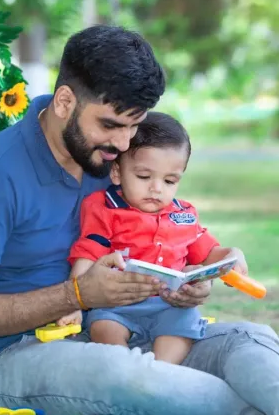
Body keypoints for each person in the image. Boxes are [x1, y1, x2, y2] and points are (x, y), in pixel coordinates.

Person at [0, 25, 279, 415]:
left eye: (134, 126)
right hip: (13, 357)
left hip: (135, 328)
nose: (124, 144)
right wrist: (78, 294)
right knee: (125, 374)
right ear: (65, 101)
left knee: (252, 340)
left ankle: (232, 398)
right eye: (111, 125)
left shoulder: (112, 159)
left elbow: (171, 233)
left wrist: (192, 282)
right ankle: (247, 408)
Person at [57, 112, 247, 365]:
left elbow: (210, 253)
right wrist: (73, 301)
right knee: (103, 328)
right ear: (117, 173)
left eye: (169, 180)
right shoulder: (104, 207)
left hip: (170, 306)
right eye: (144, 177)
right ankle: (124, 369)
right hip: (115, 304)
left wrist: (233, 255)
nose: (156, 188)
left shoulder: (184, 215)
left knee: (181, 328)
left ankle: (161, 372)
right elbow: (88, 254)